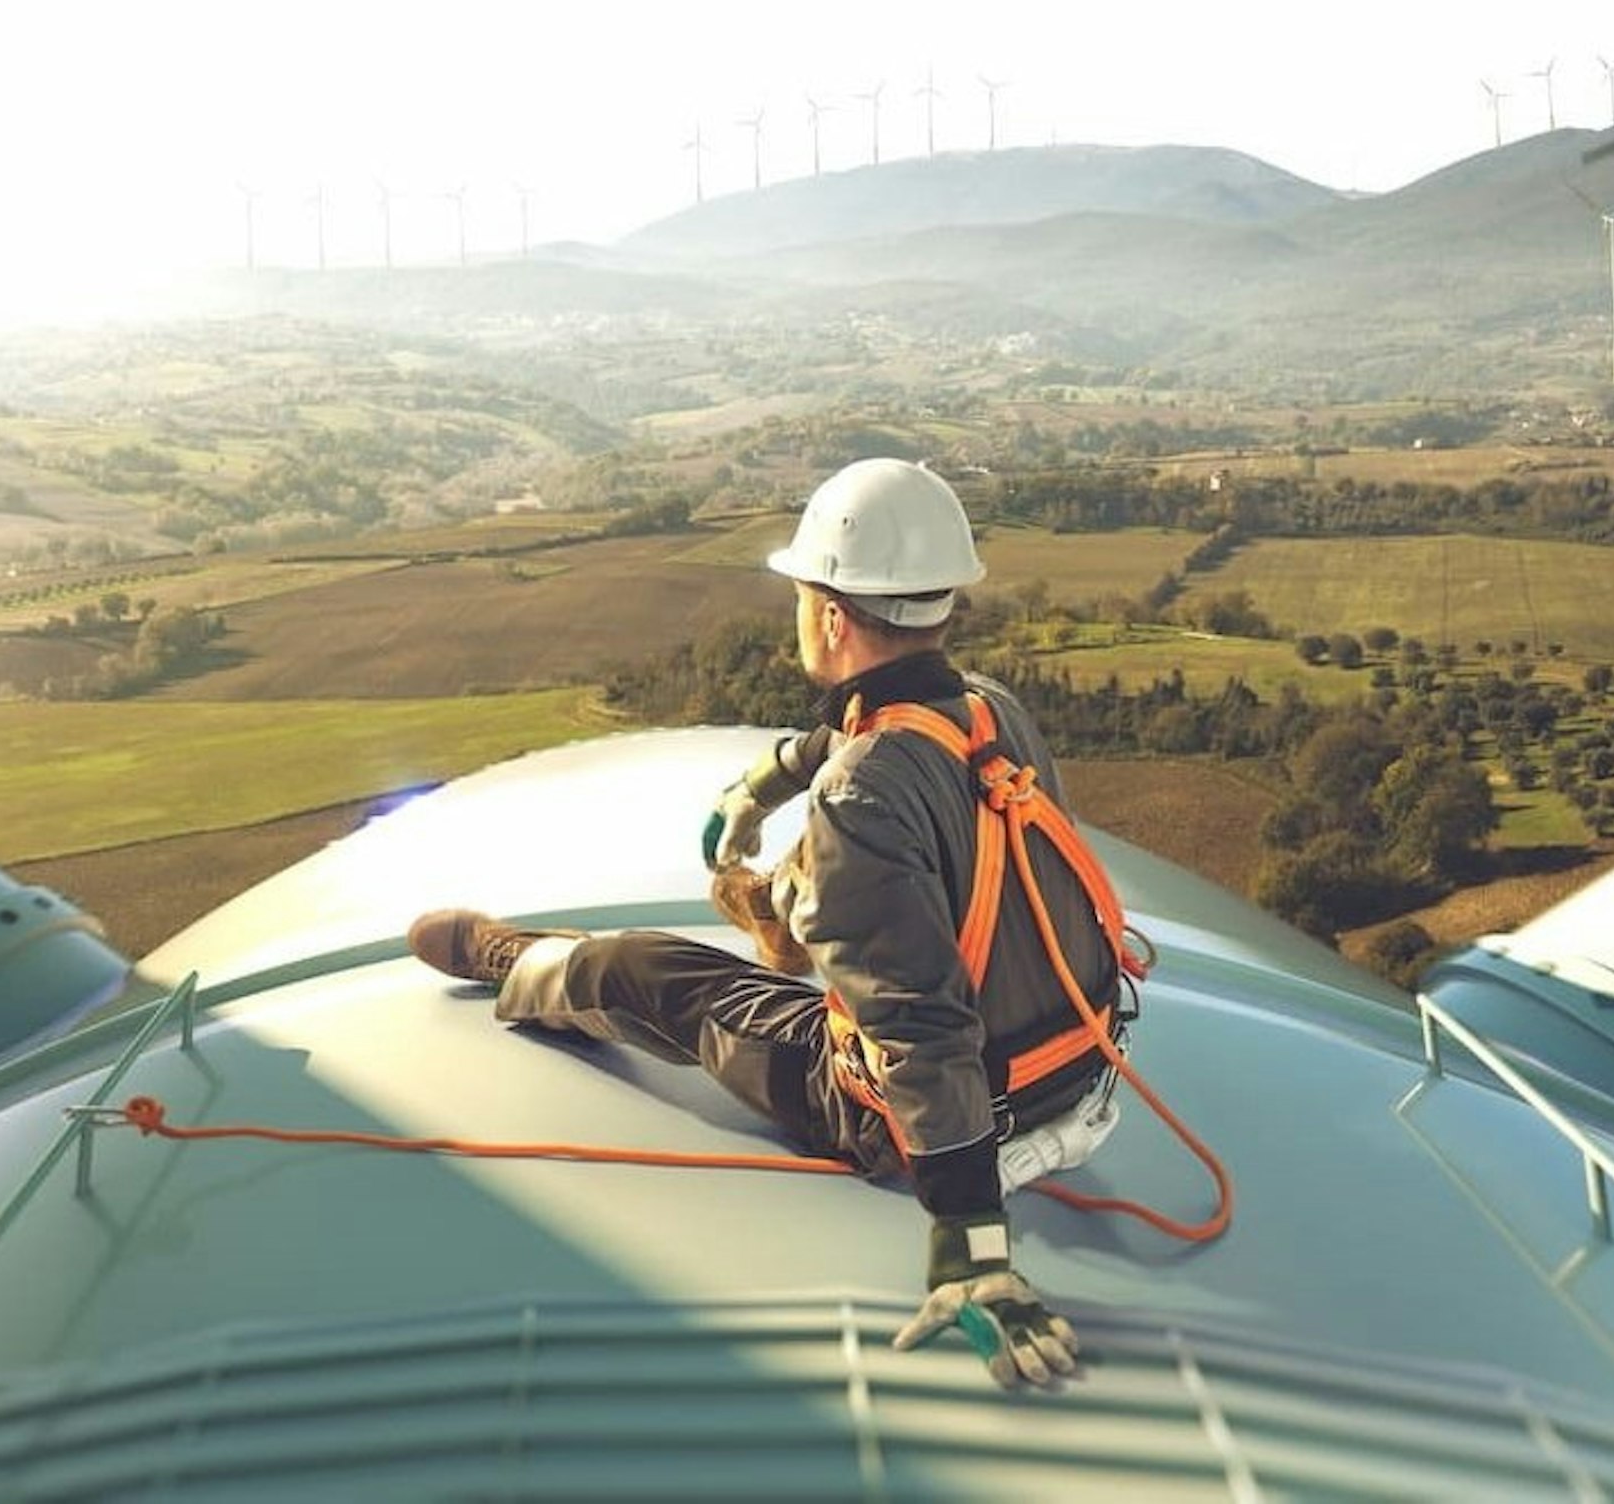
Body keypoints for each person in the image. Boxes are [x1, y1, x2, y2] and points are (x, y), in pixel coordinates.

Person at [408, 457, 1131, 1389]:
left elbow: (921, 1028)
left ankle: (523, 962)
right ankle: (788, 914)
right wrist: (765, 781)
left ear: (831, 615)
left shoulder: (862, 794)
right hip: (1082, 1078)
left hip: (947, 1124)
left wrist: (973, 1246)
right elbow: (866, 732)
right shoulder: (990, 708)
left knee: (648, 971)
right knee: (851, 881)